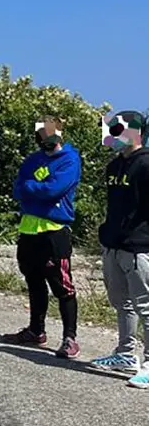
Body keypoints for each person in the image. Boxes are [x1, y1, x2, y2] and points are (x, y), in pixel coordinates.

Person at [2, 116, 82, 358]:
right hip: (28, 229)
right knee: (34, 282)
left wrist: (32, 189)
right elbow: (18, 188)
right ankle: (36, 331)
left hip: (54, 231)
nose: (45, 140)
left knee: (63, 286)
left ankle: (70, 338)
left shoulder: (69, 159)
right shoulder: (33, 159)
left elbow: (53, 190)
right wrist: (36, 190)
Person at [91, 110, 149, 389]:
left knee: (146, 306)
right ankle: (126, 354)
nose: (110, 135)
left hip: (140, 247)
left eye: (116, 130)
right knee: (121, 302)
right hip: (113, 245)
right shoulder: (113, 167)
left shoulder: (147, 164)